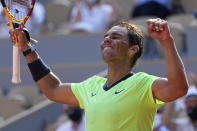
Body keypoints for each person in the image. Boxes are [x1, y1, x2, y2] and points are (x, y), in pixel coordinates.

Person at [9, 18, 188, 131]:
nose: (107, 39)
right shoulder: (91, 85)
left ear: (133, 49)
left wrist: (167, 42)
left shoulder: (144, 83)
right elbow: (52, 89)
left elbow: (178, 88)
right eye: (106, 36)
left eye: (116, 37)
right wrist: (27, 49)